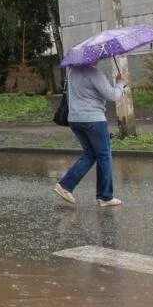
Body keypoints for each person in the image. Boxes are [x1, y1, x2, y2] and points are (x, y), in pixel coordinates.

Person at [53, 63, 126, 207]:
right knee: (104, 156)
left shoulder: (72, 72)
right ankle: (105, 196)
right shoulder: (94, 73)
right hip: (94, 120)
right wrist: (120, 83)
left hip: (75, 119)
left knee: (90, 154)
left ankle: (65, 186)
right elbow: (112, 95)